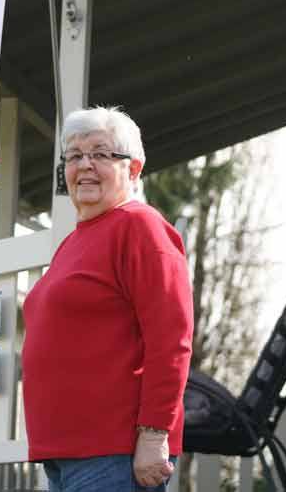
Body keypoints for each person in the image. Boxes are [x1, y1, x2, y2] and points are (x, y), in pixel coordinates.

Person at [22, 106, 194, 492]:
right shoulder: (72, 242)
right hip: (65, 454)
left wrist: (154, 434)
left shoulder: (140, 227)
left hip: (113, 452)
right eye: (74, 156)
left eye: (100, 154)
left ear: (133, 169)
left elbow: (172, 341)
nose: (84, 165)